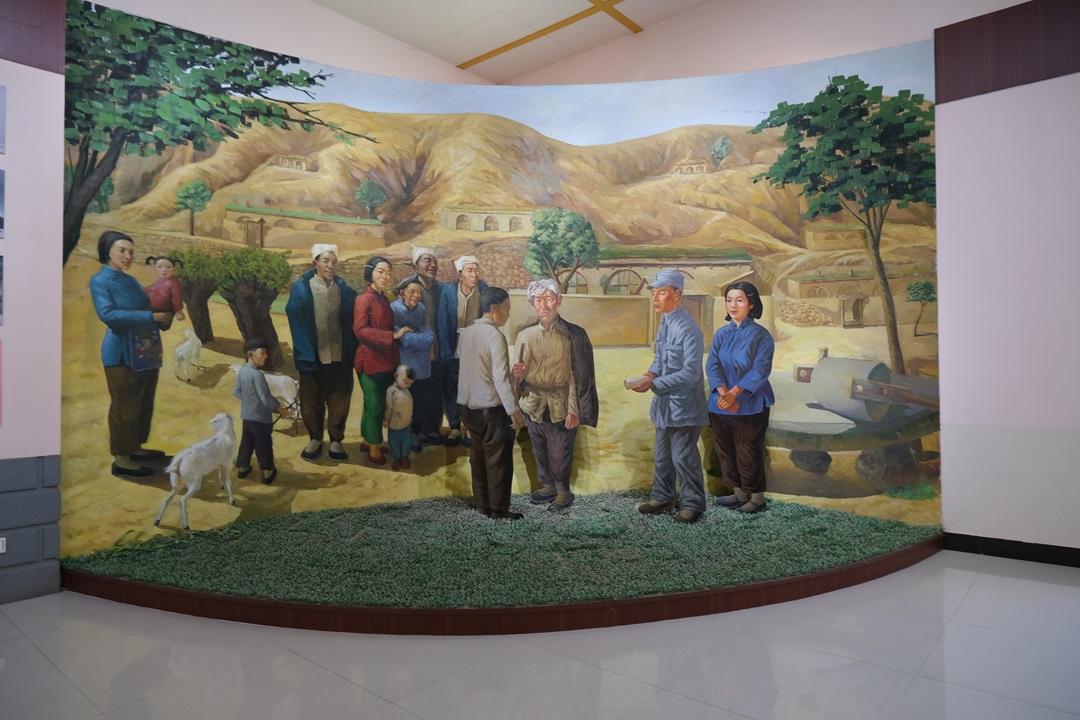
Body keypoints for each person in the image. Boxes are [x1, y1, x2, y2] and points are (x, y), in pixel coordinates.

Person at [89, 230, 172, 478]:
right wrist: (150, 317)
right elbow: (109, 315)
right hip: (121, 352)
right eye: (122, 250)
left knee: (143, 402)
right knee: (125, 406)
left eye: (131, 252)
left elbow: (147, 307)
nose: (128, 256)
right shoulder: (100, 281)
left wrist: (163, 316)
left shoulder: (130, 280)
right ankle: (122, 458)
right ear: (107, 251)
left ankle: (135, 447)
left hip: (145, 349)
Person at [628, 269, 709, 523]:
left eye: (661, 292)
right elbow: (660, 358)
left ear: (677, 294)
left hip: (685, 408)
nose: (655, 297)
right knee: (663, 456)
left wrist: (654, 384)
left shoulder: (689, 329)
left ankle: (693, 504)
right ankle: (662, 498)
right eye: (654, 292)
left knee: (683, 457)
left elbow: (691, 374)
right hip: (665, 405)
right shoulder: (665, 322)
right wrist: (649, 375)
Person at [512, 279, 598, 510]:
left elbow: (579, 376)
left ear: (558, 301)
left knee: (560, 452)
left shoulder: (573, 335)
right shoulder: (525, 335)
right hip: (533, 403)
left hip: (562, 403)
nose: (543, 304)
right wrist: (517, 374)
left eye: (549, 298)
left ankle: (563, 491)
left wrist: (574, 409)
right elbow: (517, 375)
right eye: (538, 299)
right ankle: (547, 486)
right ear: (532, 303)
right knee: (539, 449)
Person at [457, 286, 526, 519]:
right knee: (498, 460)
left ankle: (482, 505)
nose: (508, 313)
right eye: (506, 307)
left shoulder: (466, 333)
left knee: (477, 458)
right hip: (492, 408)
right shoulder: (495, 336)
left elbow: (465, 371)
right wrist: (514, 411)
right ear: (494, 308)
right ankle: (498, 509)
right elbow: (500, 379)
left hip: (469, 408)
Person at [285, 243, 357, 462]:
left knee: (339, 399)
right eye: (325, 261)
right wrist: (305, 350)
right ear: (315, 262)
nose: (330, 266)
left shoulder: (344, 289)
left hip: (339, 356)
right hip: (312, 357)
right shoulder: (302, 288)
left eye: (334, 262)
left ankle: (336, 440)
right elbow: (295, 318)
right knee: (311, 400)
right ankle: (315, 438)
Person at [707, 281, 775, 513]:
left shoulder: (761, 336)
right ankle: (738, 493)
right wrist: (723, 393)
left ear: (751, 304)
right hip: (720, 402)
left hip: (751, 403)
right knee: (725, 449)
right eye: (729, 300)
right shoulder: (721, 334)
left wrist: (735, 394)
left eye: (739, 300)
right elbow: (713, 364)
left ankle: (756, 497)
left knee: (748, 451)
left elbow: (760, 370)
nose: (733, 305)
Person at [353, 255, 405, 466]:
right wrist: (392, 336)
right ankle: (374, 447)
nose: (385, 276)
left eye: (388, 272)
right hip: (370, 360)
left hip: (385, 360)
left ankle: (368, 440)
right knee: (374, 405)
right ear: (370, 273)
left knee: (376, 404)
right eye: (381, 271)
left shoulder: (382, 298)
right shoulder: (364, 299)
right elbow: (360, 330)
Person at [435, 255, 487, 445]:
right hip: (453, 344)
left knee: (472, 387)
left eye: (476, 270)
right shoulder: (448, 292)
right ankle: (455, 425)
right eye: (470, 270)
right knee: (451, 385)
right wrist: (446, 352)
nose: (475, 274)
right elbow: (442, 322)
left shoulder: (483, 290)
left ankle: (469, 426)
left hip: (475, 345)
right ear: (459, 274)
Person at [397, 248, 443, 445]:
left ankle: (430, 429)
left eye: (434, 261)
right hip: (413, 351)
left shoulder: (440, 289)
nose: (432, 265)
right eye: (427, 260)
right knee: (414, 391)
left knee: (434, 391)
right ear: (416, 265)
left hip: (437, 348)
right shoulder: (407, 287)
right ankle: (413, 433)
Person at [391, 279, 436, 450]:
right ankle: (403, 436)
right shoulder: (394, 309)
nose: (417, 295)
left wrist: (414, 338)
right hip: (403, 364)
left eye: (419, 292)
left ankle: (416, 433)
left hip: (422, 365)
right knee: (403, 401)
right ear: (402, 292)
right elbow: (403, 339)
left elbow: (428, 336)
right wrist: (418, 339)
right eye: (412, 291)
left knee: (420, 401)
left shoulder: (421, 309)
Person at [233, 338, 284, 485]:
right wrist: (279, 409)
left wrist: (249, 402)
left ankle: (242, 467)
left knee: (247, 442)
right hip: (261, 418)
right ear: (250, 354)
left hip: (247, 416)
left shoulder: (242, 371)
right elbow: (265, 398)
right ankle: (267, 470)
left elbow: (236, 391)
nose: (265, 356)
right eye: (262, 353)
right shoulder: (257, 375)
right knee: (263, 445)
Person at [384, 364, 416, 471]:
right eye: (406, 382)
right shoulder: (391, 391)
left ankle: (405, 457)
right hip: (394, 425)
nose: (409, 385)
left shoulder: (407, 390)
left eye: (410, 383)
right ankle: (396, 458)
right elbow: (389, 407)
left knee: (407, 442)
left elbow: (410, 406)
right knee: (394, 443)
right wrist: (387, 419)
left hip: (406, 424)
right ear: (396, 376)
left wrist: (410, 417)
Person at [143, 255, 185, 326]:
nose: (164, 270)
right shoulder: (159, 280)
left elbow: (176, 298)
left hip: (163, 311)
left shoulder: (173, 283)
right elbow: (152, 288)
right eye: (159, 267)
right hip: (150, 308)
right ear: (155, 267)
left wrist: (179, 311)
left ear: (174, 268)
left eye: (168, 267)